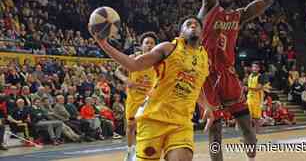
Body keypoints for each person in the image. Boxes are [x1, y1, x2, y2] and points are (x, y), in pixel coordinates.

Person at [91, 16, 214, 161]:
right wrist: (103, 43)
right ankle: (130, 151)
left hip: (181, 122)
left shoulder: (204, 58)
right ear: (181, 32)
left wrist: (206, 105)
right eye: (188, 24)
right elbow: (133, 65)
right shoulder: (168, 48)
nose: (193, 26)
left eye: (197, 25)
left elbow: (196, 85)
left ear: (202, 32)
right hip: (154, 119)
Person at [197, 0, 273, 160]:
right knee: (216, 129)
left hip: (228, 74)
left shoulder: (239, 14)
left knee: (247, 127)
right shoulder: (209, 8)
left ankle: (251, 156)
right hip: (206, 73)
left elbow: (266, 1)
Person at [114, 32, 158, 161]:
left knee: (148, 127)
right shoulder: (133, 58)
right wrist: (126, 80)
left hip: (149, 99)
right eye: (147, 43)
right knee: (130, 127)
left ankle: (144, 151)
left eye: (152, 43)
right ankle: (129, 150)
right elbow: (117, 71)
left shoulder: (158, 61)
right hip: (133, 98)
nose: (149, 45)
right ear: (142, 46)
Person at [247, 62, 264, 133]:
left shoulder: (260, 77)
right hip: (249, 98)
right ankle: (249, 134)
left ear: (259, 69)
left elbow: (259, 88)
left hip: (257, 99)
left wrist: (248, 88)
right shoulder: (250, 76)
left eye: (256, 67)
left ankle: (258, 132)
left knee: (257, 118)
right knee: (249, 116)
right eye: (253, 67)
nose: (254, 68)